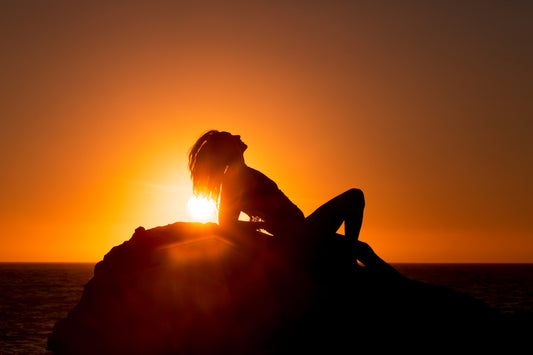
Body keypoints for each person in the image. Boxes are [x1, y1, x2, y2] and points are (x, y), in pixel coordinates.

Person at [188, 130, 388, 270]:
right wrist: (264, 225)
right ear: (228, 149)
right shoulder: (234, 179)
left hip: (301, 231)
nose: (238, 135)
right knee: (355, 196)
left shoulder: (242, 173)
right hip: (298, 237)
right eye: (232, 136)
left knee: (362, 248)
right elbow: (226, 225)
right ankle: (348, 260)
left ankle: (349, 257)